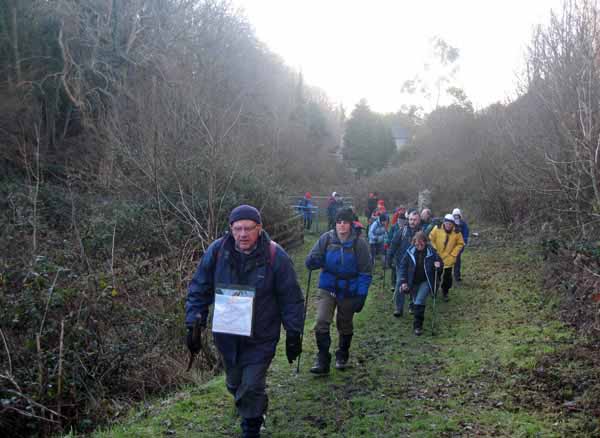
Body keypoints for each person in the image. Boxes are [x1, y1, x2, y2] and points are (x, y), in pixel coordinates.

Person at [185, 205, 305, 437]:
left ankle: (251, 428)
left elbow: (291, 297)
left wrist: (293, 333)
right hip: (227, 335)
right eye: (237, 228)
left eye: (248, 228)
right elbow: (199, 287)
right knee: (234, 383)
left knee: (251, 385)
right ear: (230, 229)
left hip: (261, 336)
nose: (243, 234)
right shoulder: (217, 252)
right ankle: (254, 407)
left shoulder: (275, 255)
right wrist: (194, 321)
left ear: (259, 228)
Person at [305, 208, 373, 374]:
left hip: (349, 289)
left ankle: (342, 353)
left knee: (344, 323)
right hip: (328, 286)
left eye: (345, 222)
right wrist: (313, 261)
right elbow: (310, 261)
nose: (341, 225)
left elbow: (366, 271)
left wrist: (362, 295)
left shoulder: (359, 243)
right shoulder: (326, 239)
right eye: (339, 222)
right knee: (321, 321)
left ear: (350, 224)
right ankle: (322, 359)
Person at [398, 232, 443, 335]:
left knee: (419, 301)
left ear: (425, 242)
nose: (419, 246)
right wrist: (403, 282)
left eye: (421, 244)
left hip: (425, 281)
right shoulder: (409, 252)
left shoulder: (432, 252)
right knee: (416, 302)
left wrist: (438, 266)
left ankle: (417, 327)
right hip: (412, 282)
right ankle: (418, 321)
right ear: (414, 243)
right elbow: (403, 267)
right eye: (417, 244)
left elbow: (440, 265)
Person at [389, 210, 422, 316]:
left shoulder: (422, 233)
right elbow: (394, 244)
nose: (412, 222)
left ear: (419, 220)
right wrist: (389, 258)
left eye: (415, 220)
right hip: (401, 264)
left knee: (415, 285)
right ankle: (398, 308)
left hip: (416, 264)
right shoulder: (402, 231)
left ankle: (412, 305)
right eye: (411, 219)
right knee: (400, 284)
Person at [428, 214, 465, 301]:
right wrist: (434, 250)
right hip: (437, 257)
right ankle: (434, 291)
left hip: (449, 258)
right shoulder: (437, 228)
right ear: (444, 222)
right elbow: (431, 239)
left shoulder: (457, 232)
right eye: (447, 223)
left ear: (453, 224)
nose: (448, 225)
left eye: (450, 224)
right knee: (436, 275)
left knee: (447, 279)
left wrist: (453, 254)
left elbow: (460, 244)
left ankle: (445, 293)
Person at [452, 208, 470, 282]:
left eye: (457, 215)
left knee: (457, 260)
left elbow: (466, 232)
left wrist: (464, 241)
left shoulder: (463, 224)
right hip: (451, 245)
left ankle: (457, 276)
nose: (456, 217)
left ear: (460, 216)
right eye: (455, 215)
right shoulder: (451, 223)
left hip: (459, 245)